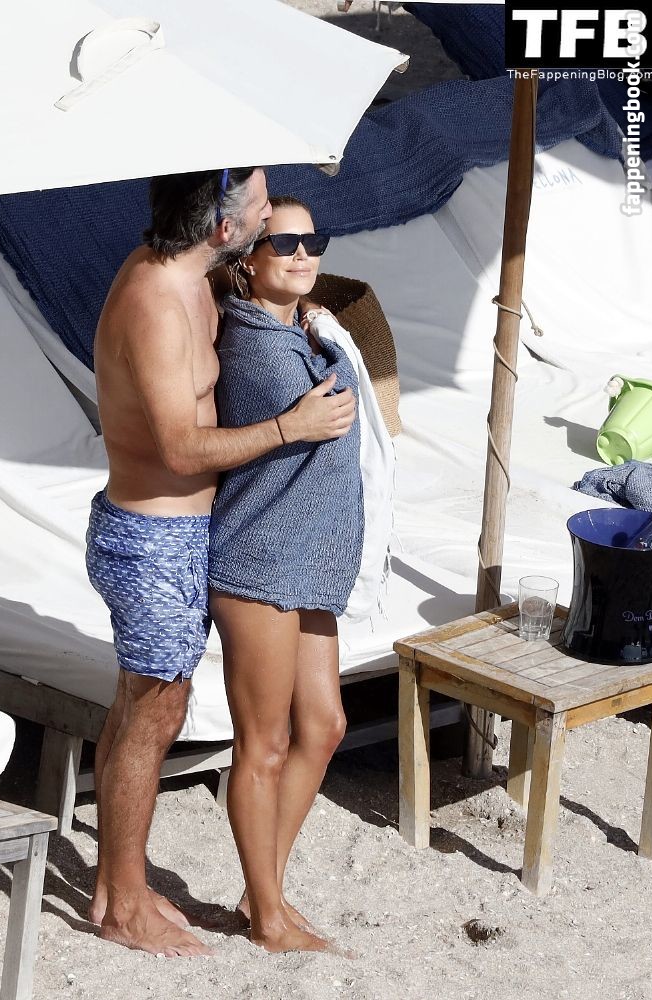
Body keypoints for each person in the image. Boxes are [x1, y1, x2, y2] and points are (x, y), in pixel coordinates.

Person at [85, 169, 357, 958]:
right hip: (154, 536)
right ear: (223, 226)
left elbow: (259, 302)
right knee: (154, 716)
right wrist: (289, 428)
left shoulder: (193, 277)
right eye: (262, 208)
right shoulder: (156, 302)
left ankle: (116, 884)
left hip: (183, 531)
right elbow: (178, 447)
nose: (272, 216)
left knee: (138, 710)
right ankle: (125, 907)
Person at [208, 196, 365, 953]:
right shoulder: (259, 346)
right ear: (247, 260)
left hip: (306, 559)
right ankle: (267, 917)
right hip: (260, 559)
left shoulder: (297, 329)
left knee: (325, 725)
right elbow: (336, 404)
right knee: (263, 745)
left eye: (313, 240)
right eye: (284, 244)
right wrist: (326, 335)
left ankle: (260, 888)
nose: (303, 254)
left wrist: (317, 325)